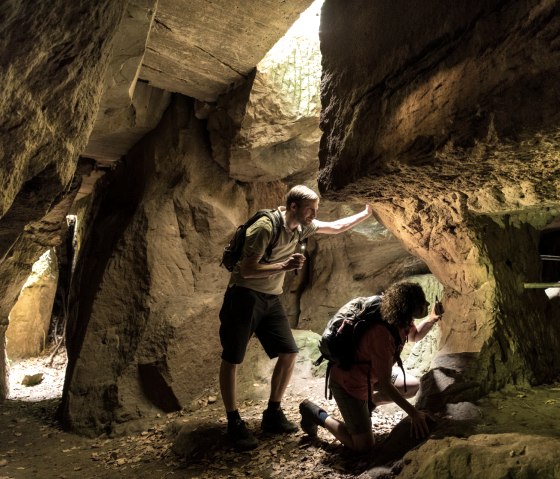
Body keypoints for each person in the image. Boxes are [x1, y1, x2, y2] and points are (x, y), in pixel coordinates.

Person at [219, 185, 373, 450]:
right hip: (244, 296)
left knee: (289, 352)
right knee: (232, 358)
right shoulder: (265, 228)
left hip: (270, 298)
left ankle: (273, 413)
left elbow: (336, 227)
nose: (314, 214)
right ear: (293, 207)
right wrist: (284, 265)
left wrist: (367, 213)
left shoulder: (303, 227)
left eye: (315, 210)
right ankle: (233, 421)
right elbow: (246, 270)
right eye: (310, 209)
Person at [299, 281, 443, 453]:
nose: (427, 304)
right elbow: (386, 384)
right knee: (363, 446)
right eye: (422, 302)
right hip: (351, 382)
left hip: (371, 374)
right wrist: (414, 414)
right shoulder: (381, 333)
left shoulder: (400, 318)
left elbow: (415, 336)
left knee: (412, 386)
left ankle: (369, 404)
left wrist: (432, 318)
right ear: (409, 307)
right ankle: (315, 414)